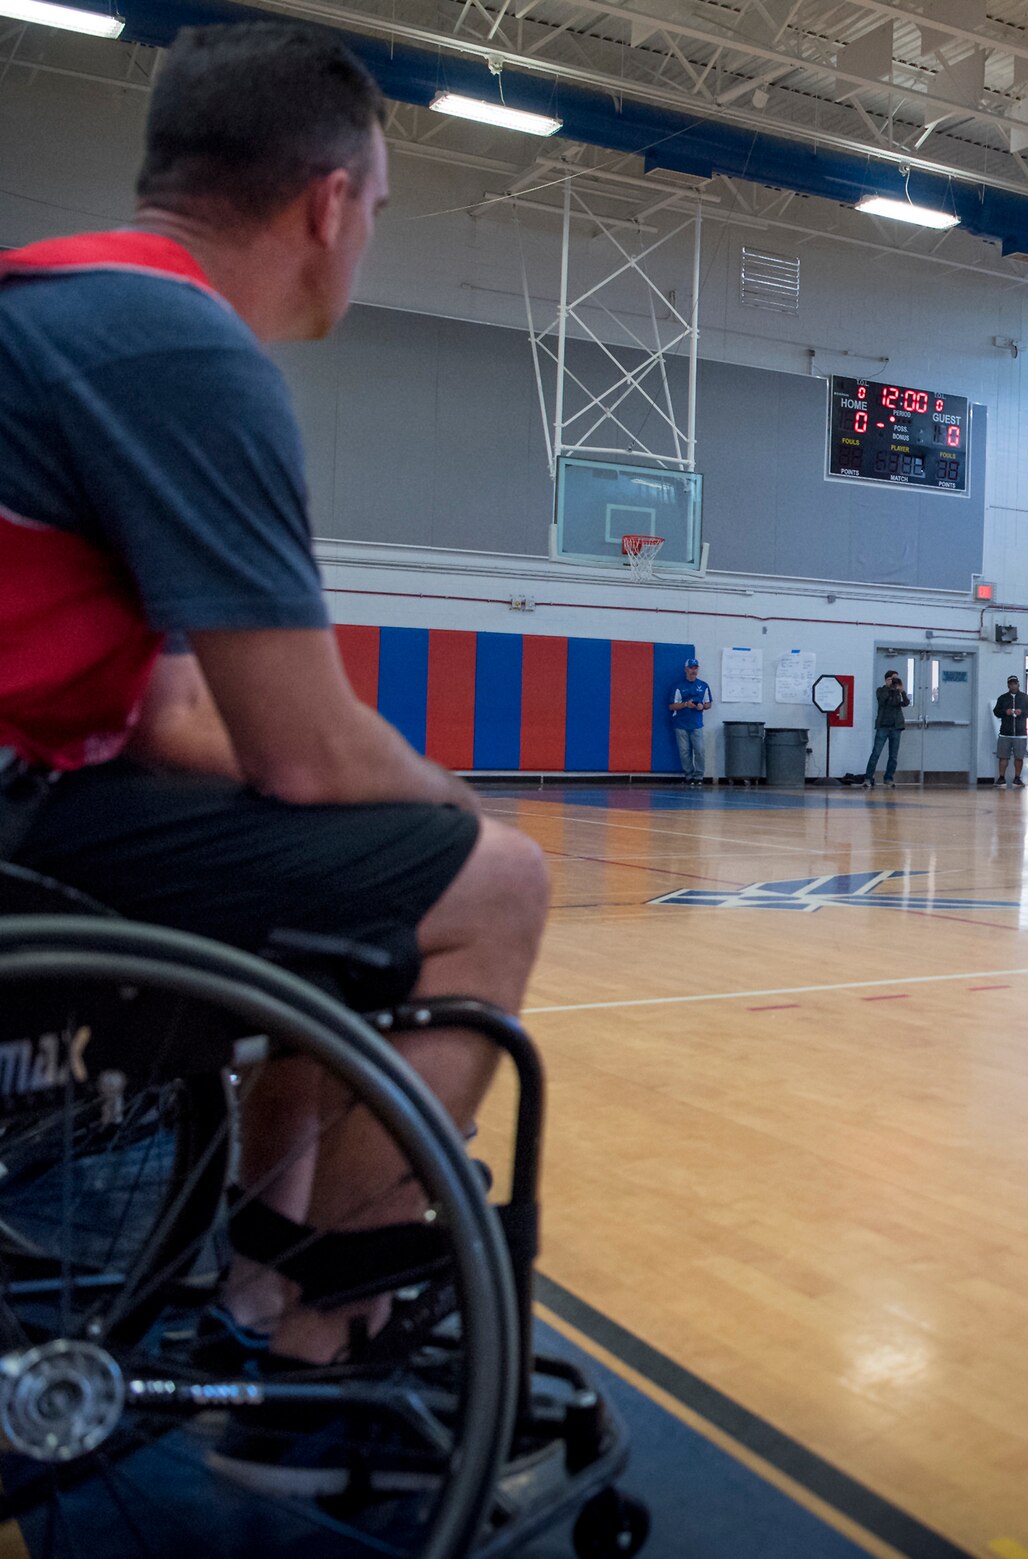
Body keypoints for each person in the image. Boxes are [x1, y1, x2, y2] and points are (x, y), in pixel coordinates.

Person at [0, 23, 550, 1370]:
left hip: (39, 792)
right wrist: (454, 804)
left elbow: (189, 724)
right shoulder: (178, 351)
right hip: (24, 821)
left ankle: (254, 1287)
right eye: (376, 210)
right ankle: (329, 1325)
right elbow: (305, 750)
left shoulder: (61, 302)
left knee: (339, 895)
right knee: (492, 882)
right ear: (330, 202)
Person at [666, 657, 712, 783]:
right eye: (691, 668)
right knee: (684, 752)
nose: (693, 670)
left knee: (700, 751)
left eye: (695, 668)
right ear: (686, 669)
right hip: (681, 724)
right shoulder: (678, 687)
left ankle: (699, 776)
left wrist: (702, 706)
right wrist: (686, 704)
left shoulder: (703, 686)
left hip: (696, 724)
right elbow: (672, 706)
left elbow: (709, 704)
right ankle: (689, 775)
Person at [865, 668, 909, 787]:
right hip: (883, 726)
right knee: (876, 752)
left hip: (896, 727)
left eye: (896, 679)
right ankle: (868, 778)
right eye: (892, 679)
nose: (895, 681)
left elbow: (905, 703)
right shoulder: (881, 690)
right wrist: (889, 688)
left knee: (893, 756)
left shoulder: (898, 692)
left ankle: (888, 778)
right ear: (887, 680)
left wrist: (902, 691)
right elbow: (882, 700)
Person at [993, 674, 1028, 788]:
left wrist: (1022, 712)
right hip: (1005, 732)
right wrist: (1006, 712)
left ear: (1018, 684)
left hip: (1020, 732)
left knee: (1019, 757)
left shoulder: (1025, 697)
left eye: (1015, 683)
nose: (1013, 685)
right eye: (1011, 684)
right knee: (1003, 756)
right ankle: (1001, 777)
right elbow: (996, 711)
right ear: (1008, 685)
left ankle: (1017, 777)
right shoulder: (1003, 698)